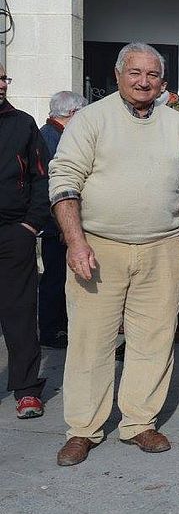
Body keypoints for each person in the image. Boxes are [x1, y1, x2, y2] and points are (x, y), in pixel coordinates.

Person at [49, 42, 179, 466]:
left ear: (163, 82)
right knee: (90, 342)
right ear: (118, 74)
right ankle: (83, 429)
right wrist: (76, 242)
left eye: (152, 75)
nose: (144, 82)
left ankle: (140, 422)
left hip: (162, 247)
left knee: (154, 339)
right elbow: (64, 180)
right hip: (98, 247)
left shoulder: (177, 125)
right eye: (135, 72)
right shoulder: (91, 119)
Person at [0, 62, 50, 420]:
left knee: (19, 313)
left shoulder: (23, 124)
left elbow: (41, 177)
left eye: (3, 77)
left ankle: (27, 390)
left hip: (13, 233)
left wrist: (31, 224)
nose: (2, 84)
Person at [38, 91, 87, 349]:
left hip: (56, 223)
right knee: (56, 279)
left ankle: (58, 327)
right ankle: (52, 330)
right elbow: (52, 188)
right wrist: (62, 225)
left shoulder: (51, 135)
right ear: (73, 113)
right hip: (56, 224)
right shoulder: (52, 139)